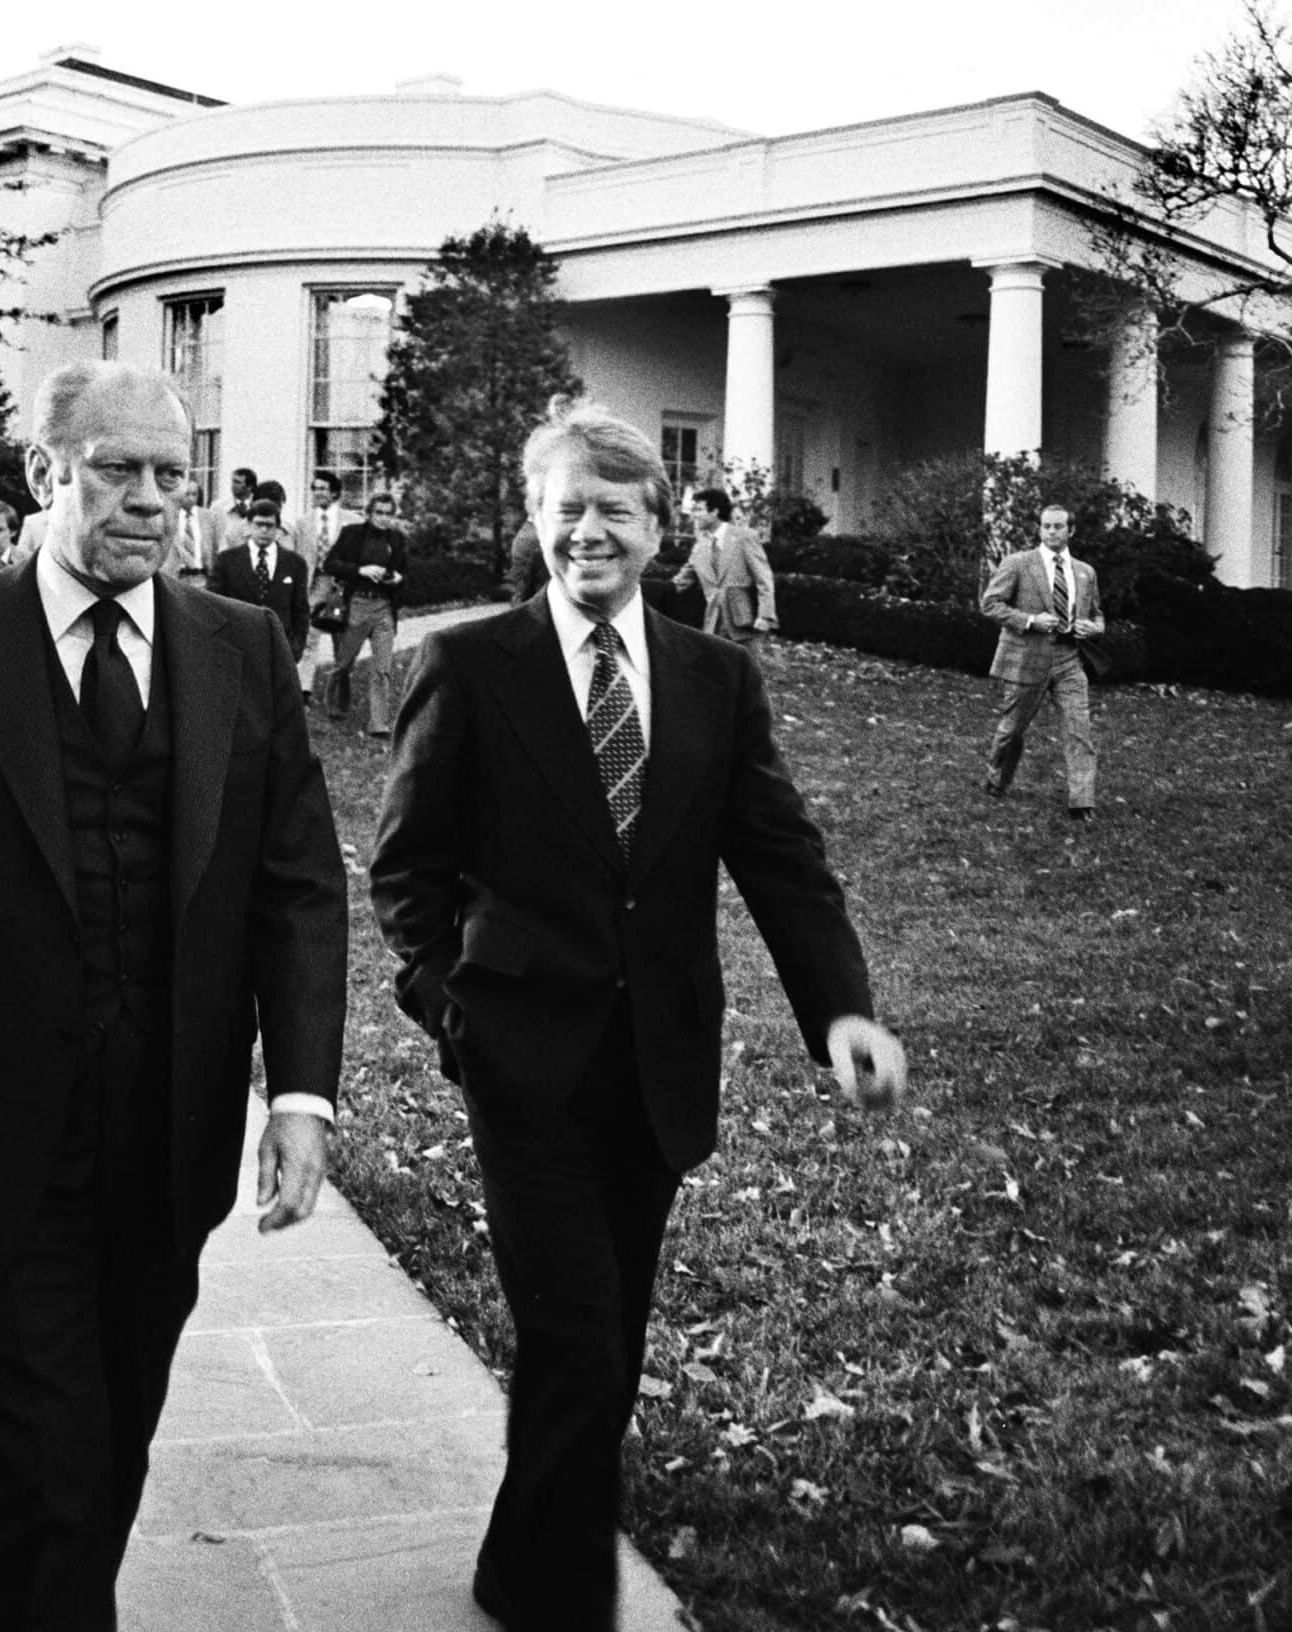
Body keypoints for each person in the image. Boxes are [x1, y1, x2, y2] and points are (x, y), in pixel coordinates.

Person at [0, 360, 347, 1632]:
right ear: (51, 473)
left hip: (170, 1127)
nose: (151, 501)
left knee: (114, 1427)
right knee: (55, 1442)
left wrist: (302, 1094)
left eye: (173, 476)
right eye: (118, 471)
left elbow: (297, 887)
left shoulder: (241, 646)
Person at [368, 397, 908, 1631]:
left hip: (658, 1063)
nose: (589, 532)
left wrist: (841, 1013)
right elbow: (406, 871)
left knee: (603, 1335)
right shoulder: (468, 665)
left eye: (615, 509)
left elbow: (780, 856)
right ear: (535, 523)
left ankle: (518, 1559)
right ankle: (565, 1600)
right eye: (567, 510)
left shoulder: (717, 679)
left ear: (659, 526)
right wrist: (452, 1016)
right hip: (520, 1060)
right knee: (579, 1337)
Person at [979, 503, 1103, 819]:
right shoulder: (1019, 564)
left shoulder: (1085, 572)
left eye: (1058, 526)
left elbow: (1098, 614)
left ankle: (1082, 802)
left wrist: (1093, 627)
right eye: (1046, 526)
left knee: (1080, 731)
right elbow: (990, 604)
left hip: (1069, 660)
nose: (1051, 532)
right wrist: (1032, 620)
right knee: (1012, 729)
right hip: (1026, 659)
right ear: (1039, 529)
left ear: (1071, 530)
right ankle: (997, 779)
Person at [320, 490, 408, 736]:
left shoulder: (397, 539)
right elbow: (331, 564)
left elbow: (405, 573)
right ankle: (335, 704)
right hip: (357, 605)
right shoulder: (352, 534)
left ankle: (378, 724)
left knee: (382, 668)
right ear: (369, 513)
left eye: (388, 514)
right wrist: (361, 570)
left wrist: (398, 578)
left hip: (384, 609)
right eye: (379, 512)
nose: (383, 518)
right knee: (344, 664)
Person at [671, 487, 778, 648]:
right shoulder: (699, 548)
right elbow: (678, 583)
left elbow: (764, 579)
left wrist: (765, 616)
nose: (694, 515)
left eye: (699, 510)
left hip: (745, 625)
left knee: (747, 672)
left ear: (714, 511)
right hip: (712, 626)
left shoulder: (745, 538)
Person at [208, 496, 309, 656]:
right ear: (248, 525)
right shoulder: (227, 560)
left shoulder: (295, 563)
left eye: (269, 525)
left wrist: (295, 648)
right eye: (259, 524)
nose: (264, 530)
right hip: (237, 647)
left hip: (281, 649)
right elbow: (213, 605)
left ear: (278, 528)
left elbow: (301, 609)